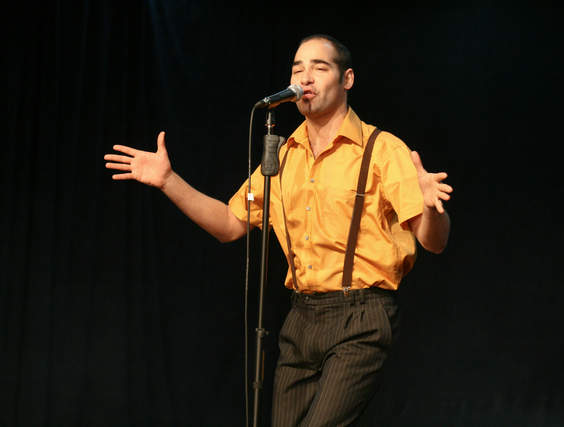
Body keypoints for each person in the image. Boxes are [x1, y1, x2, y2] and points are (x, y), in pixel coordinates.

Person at [105, 34, 452, 426]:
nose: (305, 77)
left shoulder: (382, 150)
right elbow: (229, 224)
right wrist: (169, 181)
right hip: (301, 318)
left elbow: (434, 241)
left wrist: (430, 208)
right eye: (297, 69)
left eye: (319, 68)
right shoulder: (283, 157)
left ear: (347, 79)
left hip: (361, 316)